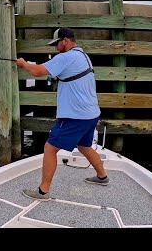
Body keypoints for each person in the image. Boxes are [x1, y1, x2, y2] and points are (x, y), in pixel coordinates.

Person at [16, 27, 108, 201]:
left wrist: (23, 64)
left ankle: (43, 192)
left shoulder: (66, 57)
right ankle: (102, 177)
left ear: (65, 40)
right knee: (84, 146)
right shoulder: (83, 56)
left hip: (75, 116)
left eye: (57, 44)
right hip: (91, 113)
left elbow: (37, 71)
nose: (55, 48)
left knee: (50, 149)